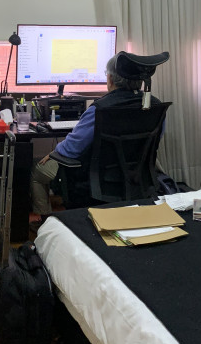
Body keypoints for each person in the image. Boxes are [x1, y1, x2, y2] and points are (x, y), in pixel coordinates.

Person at [30, 51, 164, 220]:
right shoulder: (154, 106)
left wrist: (54, 151)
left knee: (37, 171)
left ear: (110, 79)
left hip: (98, 178)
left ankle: (45, 222)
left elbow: (72, 149)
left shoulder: (100, 108)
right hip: (137, 175)